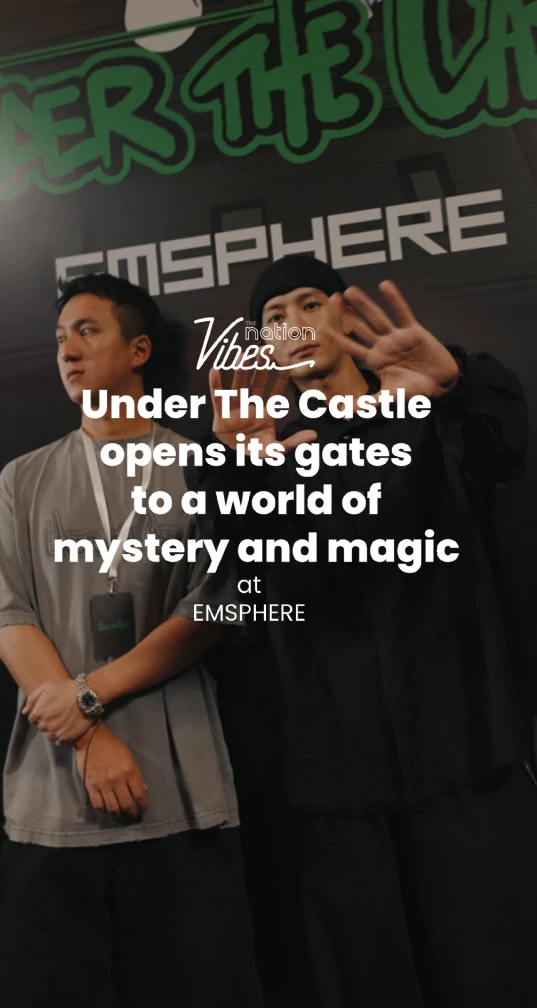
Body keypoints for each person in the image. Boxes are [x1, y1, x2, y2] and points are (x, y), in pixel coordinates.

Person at [186, 254, 537, 1008]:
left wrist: (455, 386)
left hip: (466, 754)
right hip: (336, 781)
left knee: (496, 972)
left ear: (345, 313)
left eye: (309, 303)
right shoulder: (264, 454)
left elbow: (503, 446)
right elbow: (243, 589)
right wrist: (241, 471)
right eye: (273, 318)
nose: (293, 325)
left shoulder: (428, 406)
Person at [0, 273, 264, 1008]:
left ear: (139, 349)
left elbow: (216, 606)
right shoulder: (22, 479)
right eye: (59, 338)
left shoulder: (204, 467)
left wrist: (89, 695)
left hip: (181, 796)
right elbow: (5, 614)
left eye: (87, 331)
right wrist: (90, 735)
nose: (67, 351)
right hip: (53, 803)